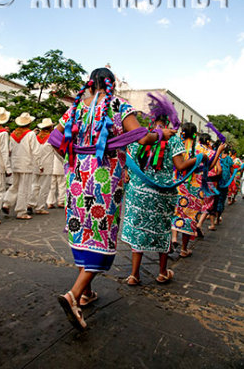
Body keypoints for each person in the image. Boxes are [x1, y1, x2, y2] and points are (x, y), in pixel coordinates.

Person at [51, 68, 176, 330]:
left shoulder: (76, 107)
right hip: (105, 180)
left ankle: (86, 292)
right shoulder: (117, 105)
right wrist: (162, 135)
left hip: (77, 179)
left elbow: (55, 139)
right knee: (101, 233)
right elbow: (142, 137)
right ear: (113, 84)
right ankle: (73, 295)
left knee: (84, 231)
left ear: (91, 84)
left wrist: (73, 159)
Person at [121, 112, 206, 285]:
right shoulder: (173, 140)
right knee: (163, 230)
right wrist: (199, 158)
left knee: (138, 230)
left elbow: (127, 159)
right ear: (169, 122)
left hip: (138, 192)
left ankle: (134, 275)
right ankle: (162, 273)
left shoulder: (142, 136)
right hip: (162, 193)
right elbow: (180, 166)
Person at [171, 123, 208, 257]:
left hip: (178, 184)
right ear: (195, 134)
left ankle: (173, 239)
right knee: (190, 217)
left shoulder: (177, 146)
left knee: (176, 213)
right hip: (194, 188)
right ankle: (184, 249)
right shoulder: (201, 150)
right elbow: (211, 165)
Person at [2, 113, 43, 220]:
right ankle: (21, 211)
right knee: (24, 188)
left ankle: (7, 202)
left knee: (14, 185)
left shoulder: (13, 134)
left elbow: (10, 149)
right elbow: (36, 151)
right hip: (26, 164)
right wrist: (40, 164)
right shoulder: (30, 134)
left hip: (15, 163)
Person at [27, 118, 54, 215]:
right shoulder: (52, 138)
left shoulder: (36, 137)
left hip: (36, 164)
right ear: (50, 127)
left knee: (34, 185)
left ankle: (30, 203)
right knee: (44, 187)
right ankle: (40, 207)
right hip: (47, 165)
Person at [214, 146, 233, 224]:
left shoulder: (216, 156)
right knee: (221, 199)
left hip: (215, 181)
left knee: (214, 199)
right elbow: (231, 170)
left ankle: (212, 216)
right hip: (224, 182)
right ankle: (217, 218)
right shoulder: (229, 159)